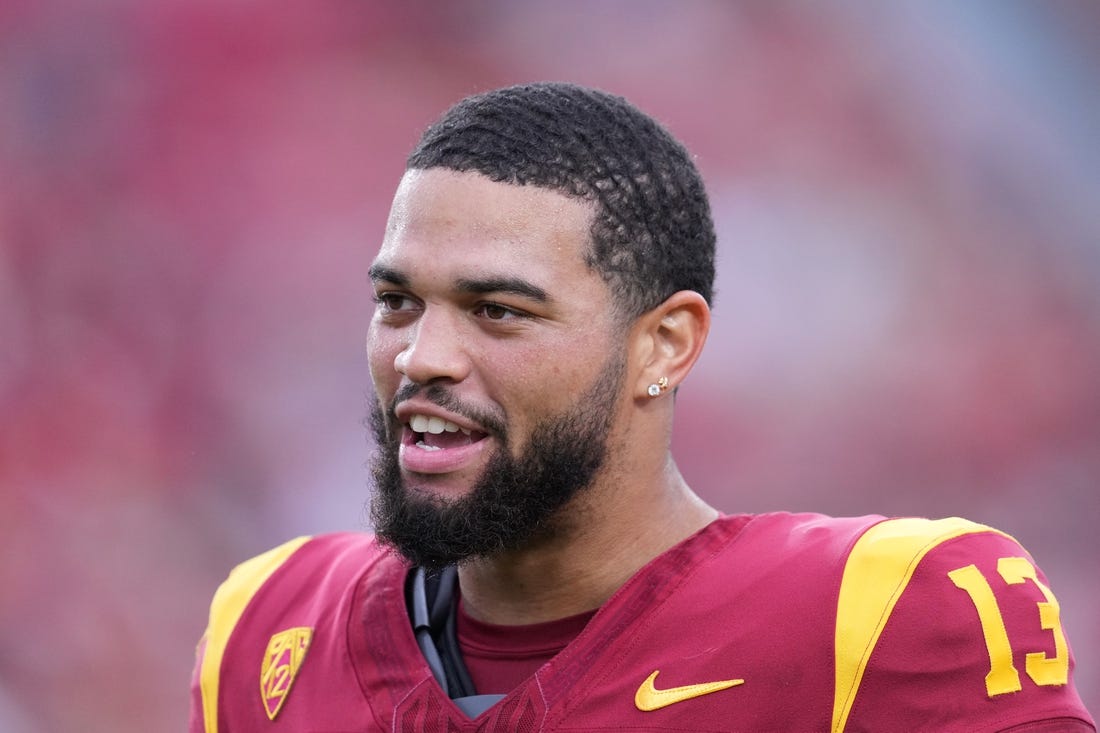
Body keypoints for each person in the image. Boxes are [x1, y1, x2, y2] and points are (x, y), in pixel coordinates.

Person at [189, 82, 1095, 732]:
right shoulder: (270, 623)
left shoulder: (881, 612)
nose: (422, 356)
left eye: (497, 310)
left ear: (664, 344)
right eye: (397, 302)